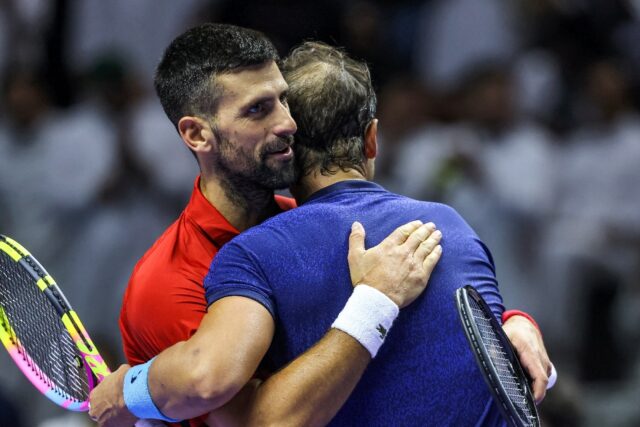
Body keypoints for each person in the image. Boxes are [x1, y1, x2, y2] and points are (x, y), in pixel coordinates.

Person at [89, 24, 550, 426]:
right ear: (196, 134)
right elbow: (243, 413)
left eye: (285, 101)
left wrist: (506, 325)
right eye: (258, 109)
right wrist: (375, 300)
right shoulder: (168, 282)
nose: (289, 123)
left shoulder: (302, 226)